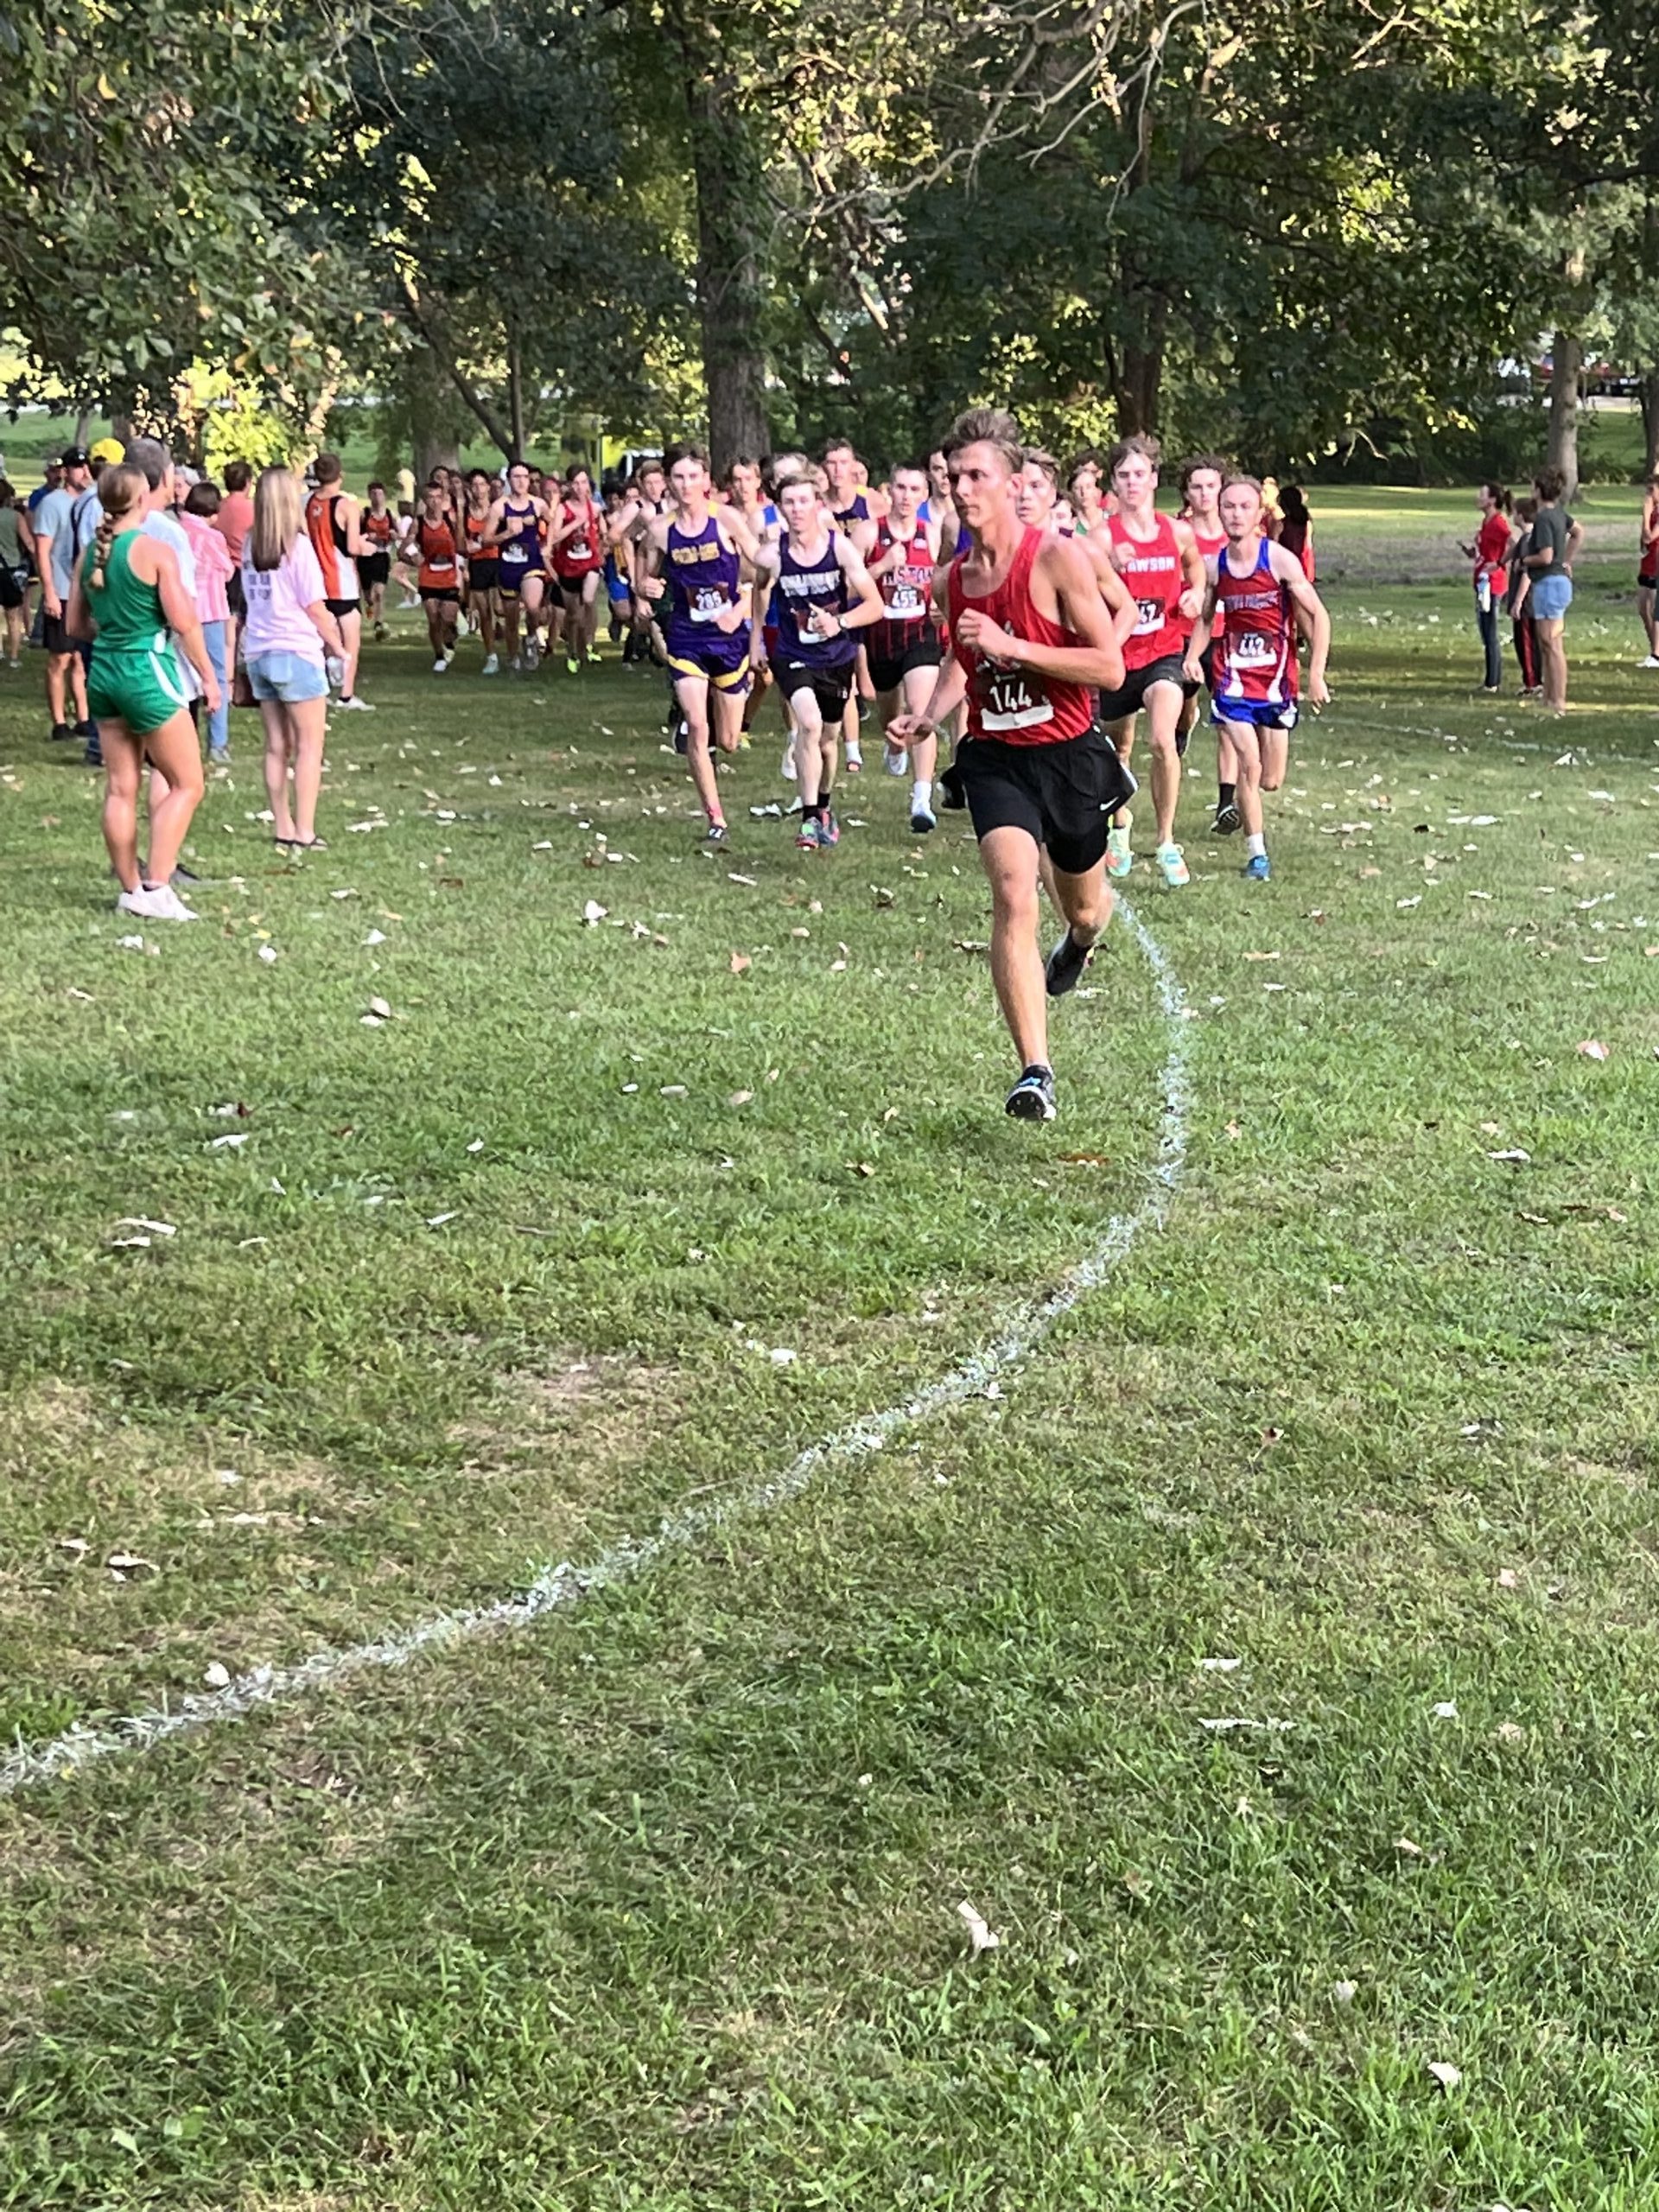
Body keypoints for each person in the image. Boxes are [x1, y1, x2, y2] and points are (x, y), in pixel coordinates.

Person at [887, 408, 1132, 1122]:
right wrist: (930, 713)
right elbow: (965, 663)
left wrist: (1014, 645)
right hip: (997, 758)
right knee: (1013, 893)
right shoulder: (952, 581)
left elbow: (1108, 666)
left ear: (1011, 481)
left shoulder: (1057, 558)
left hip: (1068, 754)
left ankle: (1080, 943)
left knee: (1083, 908)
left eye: (976, 475)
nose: (962, 488)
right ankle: (1035, 1071)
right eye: (953, 476)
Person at [64, 463, 213, 922]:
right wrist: (209, 677)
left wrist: (112, 632)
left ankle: (130, 888)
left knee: (120, 787)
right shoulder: (155, 551)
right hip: (147, 671)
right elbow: (185, 623)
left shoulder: (92, 553)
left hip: (104, 674)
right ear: (144, 497)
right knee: (188, 783)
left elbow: (75, 626)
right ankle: (158, 885)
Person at [1184, 474, 1331, 883]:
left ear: (1258, 514)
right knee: (1248, 763)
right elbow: (1206, 618)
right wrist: (1194, 657)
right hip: (1232, 678)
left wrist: (1316, 673)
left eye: (1244, 507)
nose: (1234, 514)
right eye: (1228, 506)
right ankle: (1257, 856)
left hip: (1276, 679)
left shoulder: (1280, 559)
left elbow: (1320, 616)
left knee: (1271, 779)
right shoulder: (1215, 566)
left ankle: (1256, 817)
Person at [750, 473, 884, 850]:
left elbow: (875, 606)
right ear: (780, 510)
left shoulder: (839, 549)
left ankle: (824, 805)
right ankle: (808, 819)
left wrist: (838, 622)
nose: (796, 510)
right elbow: (758, 590)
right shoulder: (773, 555)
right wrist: (756, 640)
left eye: (804, 501)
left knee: (828, 740)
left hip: (836, 655)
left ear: (818, 505)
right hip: (793, 655)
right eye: (789, 503)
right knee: (807, 725)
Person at [1096, 435, 1206, 887]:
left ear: (1154, 480)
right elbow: (1079, 583)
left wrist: (1195, 592)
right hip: (1116, 657)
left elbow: (1195, 564)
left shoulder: (1176, 531)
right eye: (1124, 476)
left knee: (1162, 740)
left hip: (1163, 652)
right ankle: (1120, 828)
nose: (1133, 483)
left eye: (1140, 475)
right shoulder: (1103, 536)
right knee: (1116, 750)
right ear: (1114, 484)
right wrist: (1108, 565)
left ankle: (1165, 840)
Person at [639, 443, 762, 844]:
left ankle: (718, 720)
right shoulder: (660, 529)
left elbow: (761, 573)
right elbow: (644, 577)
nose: (686, 485)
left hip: (728, 637)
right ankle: (715, 817)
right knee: (696, 724)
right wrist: (646, 589)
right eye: (678, 477)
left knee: (727, 741)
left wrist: (740, 607)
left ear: (707, 480)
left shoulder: (726, 520)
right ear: (669, 483)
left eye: (694, 476)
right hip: (686, 635)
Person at [242, 467, 348, 851]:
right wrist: (337, 646)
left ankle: (282, 826)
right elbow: (314, 607)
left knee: (275, 745)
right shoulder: (298, 547)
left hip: (259, 650)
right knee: (308, 746)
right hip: (296, 651)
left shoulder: (252, 545)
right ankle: (305, 830)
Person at [865, 460, 944, 833]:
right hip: (881, 635)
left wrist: (940, 603)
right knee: (889, 714)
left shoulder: (933, 533)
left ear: (924, 495)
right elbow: (848, 587)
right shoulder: (868, 532)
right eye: (900, 488)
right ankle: (896, 746)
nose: (906, 497)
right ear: (888, 491)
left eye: (915, 490)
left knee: (920, 708)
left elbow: (942, 578)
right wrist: (881, 567)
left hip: (920, 634)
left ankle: (922, 799)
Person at [31, 445, 100, 748]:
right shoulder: (52, 503)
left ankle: (84, 716)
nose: (83, 472)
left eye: (87, 467)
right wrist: (48, 591)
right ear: (65, 471)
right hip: (60, 589)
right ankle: (59, 720)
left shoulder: (91, 502)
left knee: (80, 659)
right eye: (77, 467)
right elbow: (42, 550)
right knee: (59, 658)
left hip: (83, 592)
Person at [304, 454, 371, 710]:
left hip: (316, 579)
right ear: (340, 474)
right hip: (340, 580)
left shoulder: (309, 502)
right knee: (351, 640)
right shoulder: (346, 505)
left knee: (323, 638)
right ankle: (346, 695)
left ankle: (320, 686)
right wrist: (369, 548)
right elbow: (352, 546)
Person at [180, 482, 236, 761]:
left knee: (183, 675)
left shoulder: (175, 531)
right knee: (216, 675)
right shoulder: (212, 538)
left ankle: (184, 738)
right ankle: (218, 742)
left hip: (181, 612)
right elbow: (227, 571)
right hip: (210, 612)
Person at [1520, 465, 1580, 715]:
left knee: (1553, 644)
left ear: (1539, 489)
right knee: (1546, 643)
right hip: (1555, 583)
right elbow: (1578, 532)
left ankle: (1559, 700)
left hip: (1549, 583)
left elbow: (1545, 556)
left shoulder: (1544, 518)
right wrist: (1567, 560)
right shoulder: (1559, 513)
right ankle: (1548, 697)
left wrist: (1524, 561)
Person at [485, 460, 554, 669]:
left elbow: (553, 525)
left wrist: (548, 545)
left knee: (533, 607)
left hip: (531, 562)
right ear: (509, 480)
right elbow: (486, 539)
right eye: (516, 477)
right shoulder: (499, 507)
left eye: (525, 477)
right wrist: (507, 533)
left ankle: (532, 637)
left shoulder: (538, 504)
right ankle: (513, 657)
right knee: (511, 619)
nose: (522, 481)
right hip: (508, 566)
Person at [548, 465, 606, 672]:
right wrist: (575, 524)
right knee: (573, 615)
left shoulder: (596, 508)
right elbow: (554, 537)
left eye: (583, 482)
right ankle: (572, 650)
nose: (580, 487)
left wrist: (602, 547)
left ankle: (590, 643)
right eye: (576, 483)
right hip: (568, 566)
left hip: (590, 563)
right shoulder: (563, 509)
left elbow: (603, 534)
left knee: (589, 600)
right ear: (569, 485)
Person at [1460, 482, 1516, 693]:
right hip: (1482, 582)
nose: (1478, 498)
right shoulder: (1486, 522)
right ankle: (1490, 679)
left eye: (1482, 495)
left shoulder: (1498, 523)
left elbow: (1513, 543)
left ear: (1492, 500)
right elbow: (1488, 552)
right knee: (1485, 629)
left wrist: (1500, 563)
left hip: (1492, 584)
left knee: (1490, 630)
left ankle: (1493, 682)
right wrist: (1473, 554)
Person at [411, 478, 464, 671]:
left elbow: (461, 545)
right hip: (428, 577)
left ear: (443, 499)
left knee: (447, 619)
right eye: (430, 498)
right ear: (424, 501)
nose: (434, 502)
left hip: (449, 577)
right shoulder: (418, 524)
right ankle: (439, 656)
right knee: (433, 619)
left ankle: (450, 637)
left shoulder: (450, 521)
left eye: (438, 497)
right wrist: (413, 556)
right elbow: (405, 548)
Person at [460, 469, 500, 673]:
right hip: (477, 564)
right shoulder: (465, 513)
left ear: (488, 486)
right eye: (474, 485)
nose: (478, 489)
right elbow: (461, 541)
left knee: (501, 609)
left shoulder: (497, 509)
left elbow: (504, 537)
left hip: (497, 560)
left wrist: (485, 543)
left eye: (481, 484)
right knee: (484, 613)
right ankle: (491, 655)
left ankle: (517, 641)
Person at [1507, 495, 1541, 696]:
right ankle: (1534, 679)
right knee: (1529, 641)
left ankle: (1531, 681)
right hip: (1530, 601)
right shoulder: (1526, 539)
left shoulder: (1528, 540)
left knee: (1525, 642)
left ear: (1520, 515)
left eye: (1514, 512)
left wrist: (1518, 601)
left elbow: (1527, 573)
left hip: (1527, 601)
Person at [0, 482, 33, 668]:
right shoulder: (16, 517)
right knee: (13, 615)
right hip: (12, 569)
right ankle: (13, 656)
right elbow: (28, 542)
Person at [359, 481, 397, 639]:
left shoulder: (390, 514)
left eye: (380, 493)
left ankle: (379, 623)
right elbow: (356, 534)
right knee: (369, 595)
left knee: (379, 593)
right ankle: (369, 606)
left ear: (385, 496)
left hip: (382, 555)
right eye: (374, 493)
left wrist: (393, 535)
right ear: (369, 495)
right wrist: (368, 536)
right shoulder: (364, 514)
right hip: (366, 557)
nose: (377, 497)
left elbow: (397, 533)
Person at [1636, 472, 1659, 669]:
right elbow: (1642, 542)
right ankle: (1653, 648)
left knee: (1654, 607)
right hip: (1648, 561)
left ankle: (1657, 653)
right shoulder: (1652, 511)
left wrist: (1645, 516)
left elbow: (1650, 536)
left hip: (1657, 563)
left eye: (1652, 490)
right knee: (1643, 608)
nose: (1648, 495)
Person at [1276, 486, 1315, 577]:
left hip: (1287, 562)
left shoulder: (1281, 523)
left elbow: (1274, 543)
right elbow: (1308, 544)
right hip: (1304, 560)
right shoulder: (1306, 522)